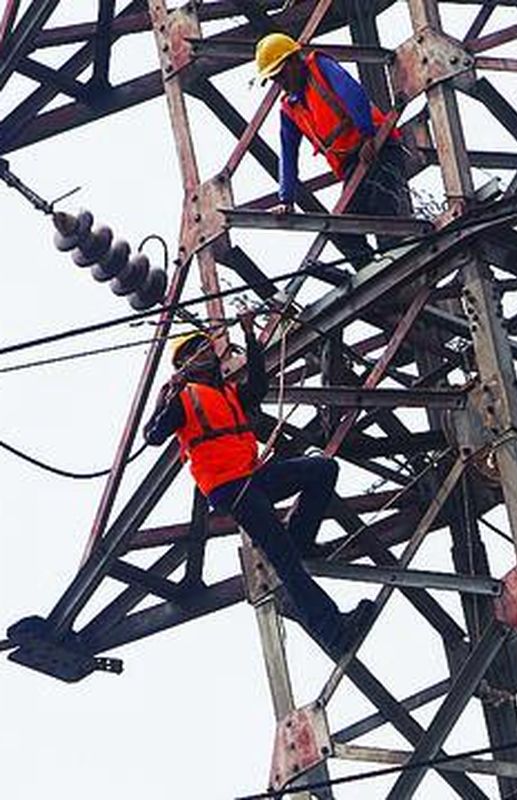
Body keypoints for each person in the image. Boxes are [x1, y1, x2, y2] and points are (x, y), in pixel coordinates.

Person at [143, 312, 369, 655]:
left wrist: (250, 335)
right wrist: (164, 399)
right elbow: (153, 435)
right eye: (194, 351)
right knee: (285, 562)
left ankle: (301, 540)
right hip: (230, 487)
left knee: (322, 470)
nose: (203, 353)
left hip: (251, 477)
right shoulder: (183, 398)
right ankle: (335, 632)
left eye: (204, 347)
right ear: (184, 364)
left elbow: (259, 386)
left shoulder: (226, 392)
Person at [255, 32, 411, 268]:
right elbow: (288, 154)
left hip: (379, 148)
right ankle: (371, 271)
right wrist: (286, 198)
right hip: (352, 166)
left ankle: (395, 266)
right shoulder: (290, 108)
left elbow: (353, 93)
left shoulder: (320, 66)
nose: (281, 83)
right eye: (275, 79)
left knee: (384, 216)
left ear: (294, 61)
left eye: (281, 75)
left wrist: (368, 135)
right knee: (342, 230)